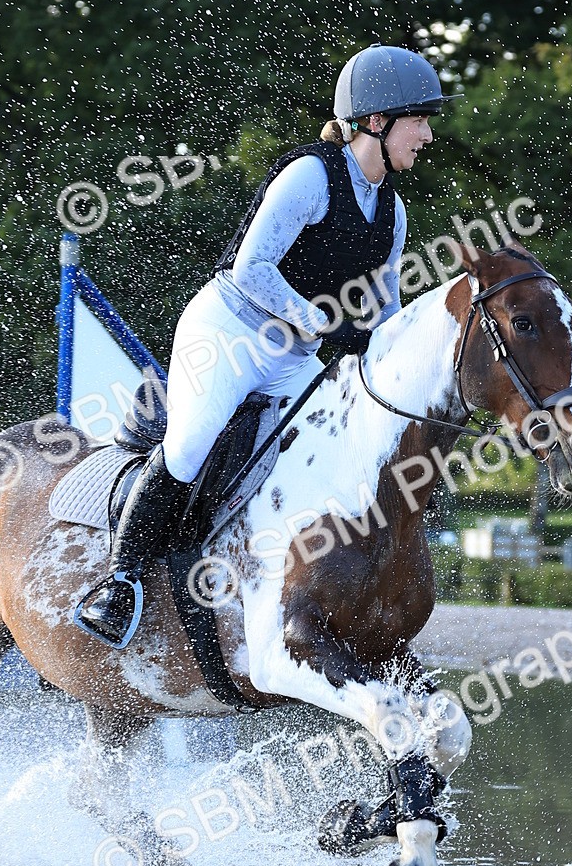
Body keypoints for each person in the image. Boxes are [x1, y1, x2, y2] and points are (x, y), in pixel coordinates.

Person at [77, 43, 458, 647]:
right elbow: (252, 266)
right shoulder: (310, 175)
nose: (428, 135)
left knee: (308, 459)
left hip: (292, 357)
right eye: (420, 120)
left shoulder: (393, 210)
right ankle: (119, 585)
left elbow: (384, 312)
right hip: (229, 330)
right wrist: (321, 322)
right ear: (376, 122)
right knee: (192, 444)